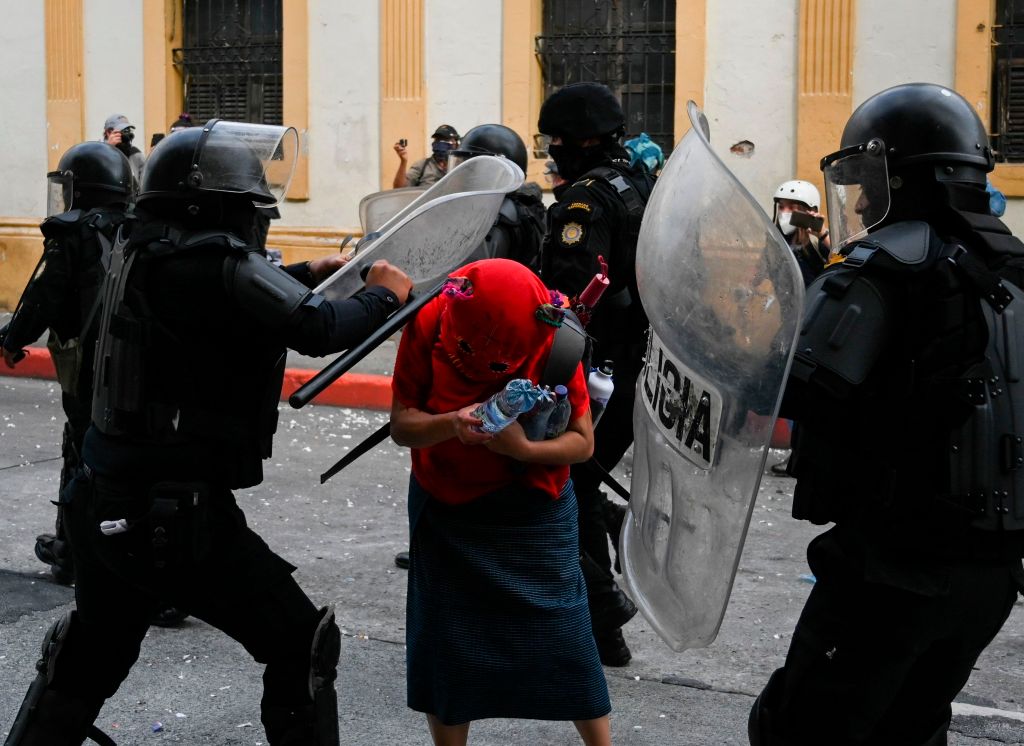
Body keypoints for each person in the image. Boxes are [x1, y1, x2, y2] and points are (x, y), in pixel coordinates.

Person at [4, 120, 413, 746]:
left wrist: (305, 269)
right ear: (216, 207)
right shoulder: (211, 260)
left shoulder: (146, 247)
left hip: (106, 495)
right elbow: (321, 329)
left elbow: (231, 297)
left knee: (91, 652)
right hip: (172, 513)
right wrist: (384, 296)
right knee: (300, 643)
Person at [748, 83, 1024, 745]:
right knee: (911, 729)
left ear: (901, 178)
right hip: (992, 577)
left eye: (869, 180)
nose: (862, 198)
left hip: (892, 570)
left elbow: (791, 388)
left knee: (798, 731)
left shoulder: (877, 269)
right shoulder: (1015, 269)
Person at [390, 257, 611, 746]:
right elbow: (402, 426)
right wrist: (452, 422)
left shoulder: (559, 339)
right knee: (448, 651)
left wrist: (524, 450)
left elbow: (583, 443)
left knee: (566, 639)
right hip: (446, 506)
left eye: (501, 361)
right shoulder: (430, 320)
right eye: (468, 352)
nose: (482, 365)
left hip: (535, 509)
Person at [538, 81, 656, 666]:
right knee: (580, 483)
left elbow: (570, 301)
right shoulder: (642, 184)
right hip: (642, 366)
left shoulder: (584, 201)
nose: (552, 151)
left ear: (580, 141)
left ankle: (603, 614)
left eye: (556, 141)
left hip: (597, 370)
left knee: (561, 484)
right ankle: (600, 623)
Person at [1, 142, 134, 586]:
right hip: (134, 364)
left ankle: (73, 553)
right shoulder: (138, 228)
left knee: (81, 452)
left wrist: (12, 339)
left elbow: (44, 296)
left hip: (88, 367)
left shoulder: (72, 233)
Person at [772, 179, 832, 286]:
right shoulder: (776, 238)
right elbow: (765, 265)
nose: (784, 212)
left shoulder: (816, 240)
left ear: (807, 210)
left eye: (791, 207)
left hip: (814, 300)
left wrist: (823, 235)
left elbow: (843, 260)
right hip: (789, 301)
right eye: (781, 207)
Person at [392, 124, 460, 188]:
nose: (441, 144)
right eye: (438, 140)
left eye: (446, 140)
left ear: (456, 144)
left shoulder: (461, 166)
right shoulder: (422, 166)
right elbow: (399, 188)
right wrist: (403, 161)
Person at [102, 113, 145, 183]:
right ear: (109, 132)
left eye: (128, 130)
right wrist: (109, 149)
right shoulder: (98, 152)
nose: (127, 134)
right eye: (123, 130)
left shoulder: (135, 153)